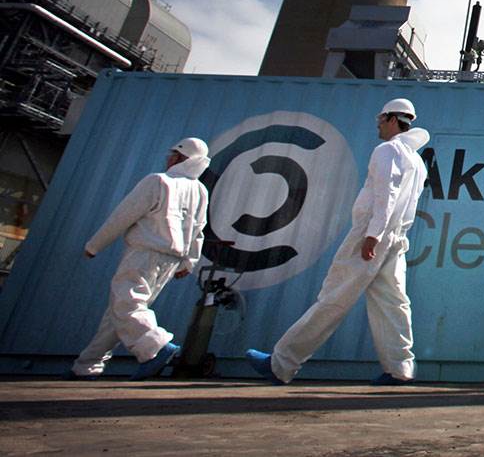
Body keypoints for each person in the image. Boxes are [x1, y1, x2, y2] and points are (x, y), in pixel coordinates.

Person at [247, 98, 429, 385]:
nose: (378, 126)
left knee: (334, 297)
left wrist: (373, 234)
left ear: (393, 119)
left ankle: (281, 363)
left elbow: (386, 194)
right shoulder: (416, 161)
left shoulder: (387, 150)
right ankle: (400, 369)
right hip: (396, 239)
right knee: (393, 303)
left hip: (371, 235)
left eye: (380, 120)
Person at [69, 137, 212, 381]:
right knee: (122, 311)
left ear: (181, 157)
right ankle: (88, 364)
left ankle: (156, 348)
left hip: (144, 254)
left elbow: (123, 215)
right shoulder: (199, 190)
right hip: (171, 261)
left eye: (172, 154)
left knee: (127, 306)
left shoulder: (158, 181)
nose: (168, 158)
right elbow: (199, 229)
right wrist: (189, 262)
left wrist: (94, 245)